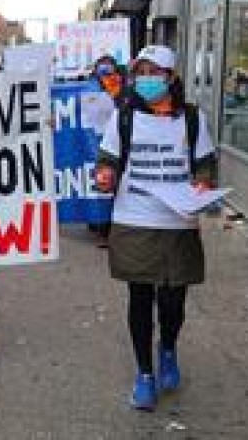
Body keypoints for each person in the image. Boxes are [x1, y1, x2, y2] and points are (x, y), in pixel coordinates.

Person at [94, 45, 217, 412]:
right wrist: (104, 175)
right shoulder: (125, 117)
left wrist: (203, 184)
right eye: (141, 71)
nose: (146, 78)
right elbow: (108, 159)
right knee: (141, 298)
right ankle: (144, 374)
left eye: (155, 72)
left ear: (172, 78)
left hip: (178, 221)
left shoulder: (193, 119)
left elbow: (205, 164)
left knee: (173, 301)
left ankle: (167, 349)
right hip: (135, 219)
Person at [88, 54, 127, 247]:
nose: (105, 69)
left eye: (109, 66)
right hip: (92, 144)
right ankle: (100, 226)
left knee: (112, 185)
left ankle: (109, 227)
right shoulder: (89, 87)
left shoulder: (123, 87)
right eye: (101, 66)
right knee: (101, 185)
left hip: (116, 144)